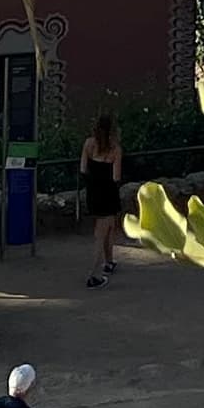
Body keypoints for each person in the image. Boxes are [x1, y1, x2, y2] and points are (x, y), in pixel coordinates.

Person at [81, 108, 126, 283]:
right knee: (101, 233)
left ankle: (109, 261)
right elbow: (116, 177)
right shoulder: (115, 149)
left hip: (94, 192)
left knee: (107, 227)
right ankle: (94, 274)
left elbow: (83, 169)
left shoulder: (88, 145)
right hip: (108, 193)